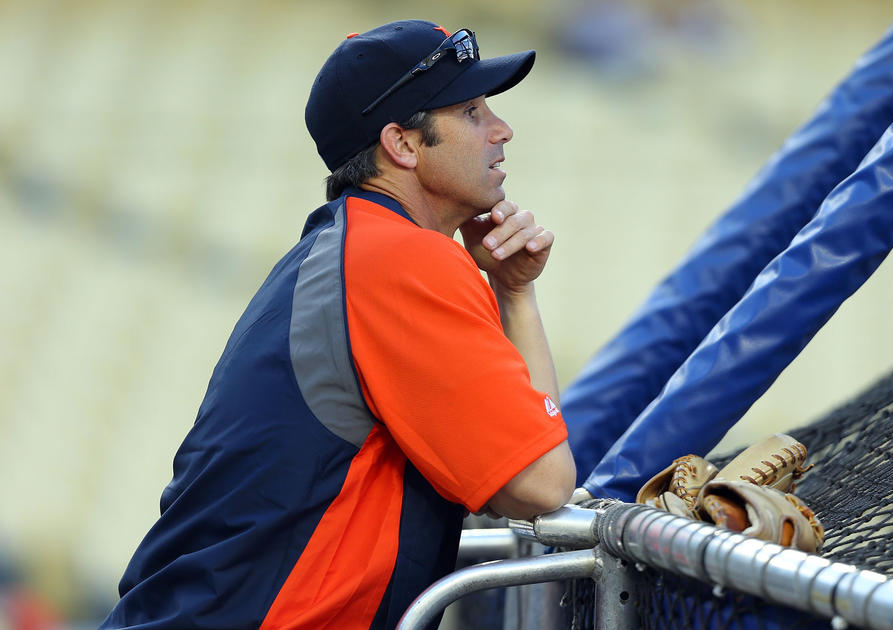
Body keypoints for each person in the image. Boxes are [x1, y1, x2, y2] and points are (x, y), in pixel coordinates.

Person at [101, 19, 575, 629]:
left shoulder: (352, 246)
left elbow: (534, 468)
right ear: (403, 145)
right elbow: (541, 484)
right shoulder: (403, 260)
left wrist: (515, 293)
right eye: (472, 111)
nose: (502, 131)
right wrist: (516, 300)